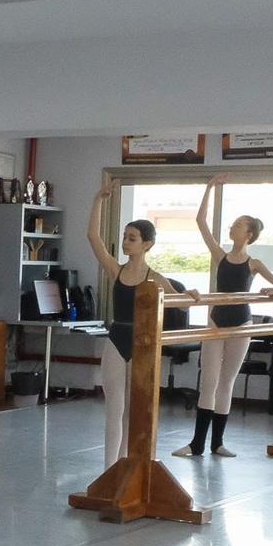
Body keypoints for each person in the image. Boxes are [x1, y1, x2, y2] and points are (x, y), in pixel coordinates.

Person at [174, 174, 273, 458]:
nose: (231, 228)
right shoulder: (219, 256)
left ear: (248, 234)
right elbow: (201, 222)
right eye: (232, 224)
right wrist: (210, 186)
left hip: (242, 324)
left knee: (227, 382)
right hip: (216, 322)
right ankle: (197, 443)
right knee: (208, 380)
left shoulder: (253, 263)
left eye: (237, 225)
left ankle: (217, 443)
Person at [86, 183, 170, 468]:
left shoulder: (156, 277)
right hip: (117, 340)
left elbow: (180, 299)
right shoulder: (116, 269)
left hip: (142, 343)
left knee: (133, 411)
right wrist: (98, 198)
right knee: (114, 409)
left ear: (147, 244)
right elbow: (93, 237)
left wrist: (194, 295)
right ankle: (110, 469)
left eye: (132, 238)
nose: (125, 242)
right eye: (124, 237)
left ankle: (127, 466)